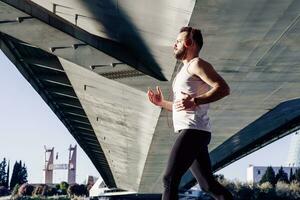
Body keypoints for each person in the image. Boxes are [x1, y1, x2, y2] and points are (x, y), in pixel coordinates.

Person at [147, 27, 233, 200]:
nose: (174, 44)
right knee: (207, 185)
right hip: (195, 131)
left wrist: (195, 101)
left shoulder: (197, 64)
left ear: (189, 43)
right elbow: (183, 106)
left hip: (193, 131)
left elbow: (223, 88)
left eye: (178, 41)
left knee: (169, 179)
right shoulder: (184, 71)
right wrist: (162, 103)